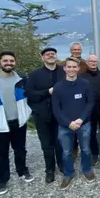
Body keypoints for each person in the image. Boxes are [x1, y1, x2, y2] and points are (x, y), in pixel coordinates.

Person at [0, 51, 34, 195]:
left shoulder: (22, 78)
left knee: (20, 148)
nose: (8, 63)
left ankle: (22, 171)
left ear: (15, 62)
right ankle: (2, 180)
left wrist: (27, 112)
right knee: (0, 153)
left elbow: (30, 96)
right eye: (5, 61)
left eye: (11, 61)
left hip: (19, 121)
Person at [52, 57, 96, 190]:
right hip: (65, 126)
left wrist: (81, 119)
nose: (71, 69)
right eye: (69, 67)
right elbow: (56, 109)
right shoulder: (58, 87)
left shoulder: (85, 84)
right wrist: (68, 123)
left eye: (74, 67)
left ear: (78, 68)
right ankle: (68, 173)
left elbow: (90, 103)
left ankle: (87, 169)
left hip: (84, 124)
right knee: (66, 152)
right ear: (64, 68)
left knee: (86, 149)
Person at [25, 47, 65, 183]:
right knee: (46, 144)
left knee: (60, 142)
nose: (50, 56)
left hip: (60, 114)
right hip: (42, 114)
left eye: (53, 54)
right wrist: (48, 91)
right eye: (47, 55)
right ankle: (50, 170)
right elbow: (29, 94)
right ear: (42, 58)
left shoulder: (63, 71)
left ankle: (62, 165)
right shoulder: (35, 75)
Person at [80, 54, 100, 165]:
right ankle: (94, 154)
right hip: (88, 110)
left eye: (95, 61)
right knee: (90, 133)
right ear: (87, 62)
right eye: (91, 61)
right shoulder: (82, 76)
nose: (93, 63)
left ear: (97, 63)